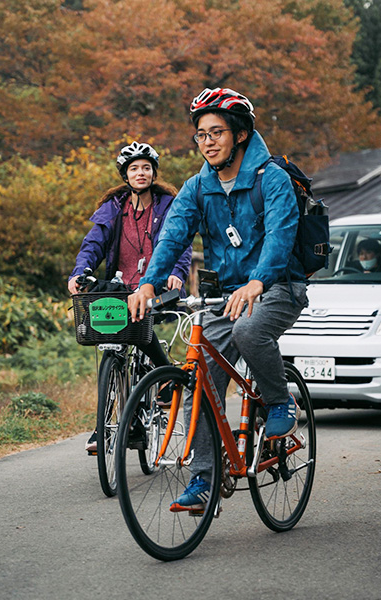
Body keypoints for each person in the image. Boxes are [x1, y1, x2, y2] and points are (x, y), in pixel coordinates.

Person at [128, 88, 309, 510]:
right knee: (198, 381)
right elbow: (173, 236)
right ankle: (205, 479)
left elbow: (281, 236)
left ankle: (281, 401)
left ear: (241, 134)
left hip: (278, 287)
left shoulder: (273, 179)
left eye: (217, 132)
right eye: (200, 134)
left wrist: (258, 281)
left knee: (249, 330)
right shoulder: (197, 187)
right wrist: (149, 283)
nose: (207, 141)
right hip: (226, 295)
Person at [68, 141, 192, 454]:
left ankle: (164, 377)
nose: (141, 173)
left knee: (139, 327)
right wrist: (79, 272)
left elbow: (180, 241)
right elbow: (92, 244)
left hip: (156, 286)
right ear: (125, 175)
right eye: (134, 168)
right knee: (113, 351)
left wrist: (177, 271)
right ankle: (108, 425)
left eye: (146, 168)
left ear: (154, 173)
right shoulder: (114, 208)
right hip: (120, 286)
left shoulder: (167, 205)